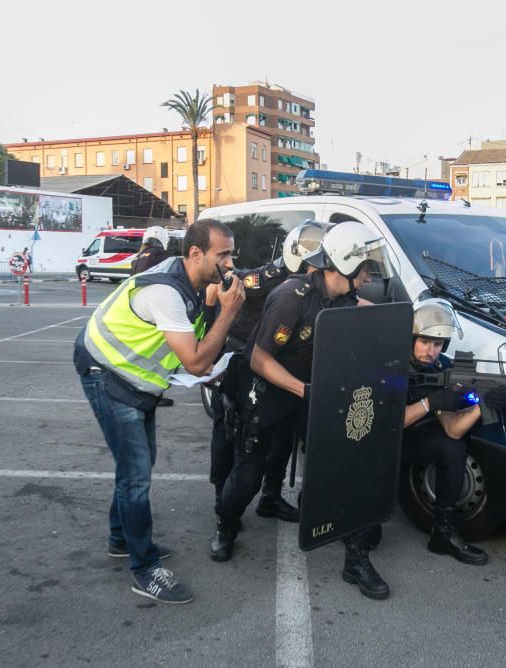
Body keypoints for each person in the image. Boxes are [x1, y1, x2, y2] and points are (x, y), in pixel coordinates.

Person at [210, 223, 395, 600]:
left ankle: (354, 555)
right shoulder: (291, 298)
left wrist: (401, 323)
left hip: (310, 392)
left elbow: (363, 310)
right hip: (269, 390)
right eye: (362, 270)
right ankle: (226, 525)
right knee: (248, 474)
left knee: (344, 461)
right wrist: (305, 391)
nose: (366, 278)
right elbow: (260, 359)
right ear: (341, 266)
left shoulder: (342, 297)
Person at [73, 219, 245, 604]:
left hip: (135, 383)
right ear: (196, 253)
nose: (230, 263)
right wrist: (229, 313)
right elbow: (198, 363)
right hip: (107, 374)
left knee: (139, 463)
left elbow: (196, 351)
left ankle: (121, 538)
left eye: (232, 254)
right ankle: (144, 568)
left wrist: (216, 308)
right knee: (136, 475)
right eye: (224, 254)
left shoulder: (197, 286)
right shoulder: (166, 292)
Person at [206, 220, 332, 524]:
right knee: (230, 432)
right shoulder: (269, 280)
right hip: (241, 360)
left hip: (284, 368)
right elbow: (216, 288)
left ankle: (271, 497)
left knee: (283, 439)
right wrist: (210, 339)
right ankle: (223, 503)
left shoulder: (319, 289)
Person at [400, 300, 506, 567]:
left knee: (452, 447)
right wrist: (431, 403)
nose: (431, 351)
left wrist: (483, 405)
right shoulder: (395, 365)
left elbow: (452, 430)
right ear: (412, 338)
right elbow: (393, 421)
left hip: (415, 440)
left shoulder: (439, 369)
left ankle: (443, 533)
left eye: (437, 345)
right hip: (383, 444)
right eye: (425, 342)